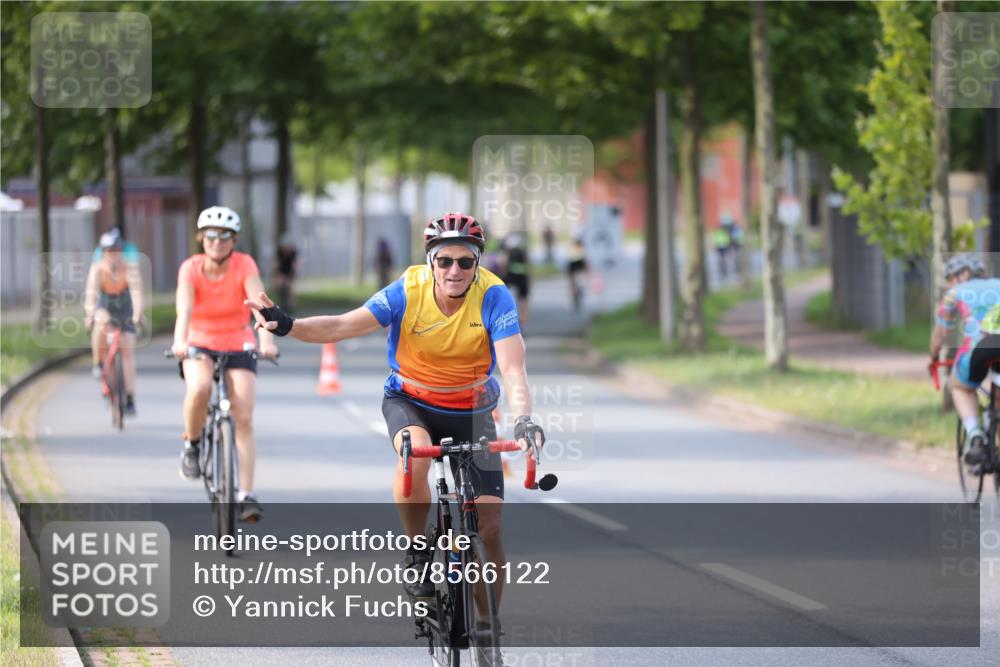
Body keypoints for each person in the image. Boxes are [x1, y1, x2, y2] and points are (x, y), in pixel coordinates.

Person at [246, 212, 546, 610]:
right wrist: (287, 325)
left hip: (473, 411)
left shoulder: (494, 296)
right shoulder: (408, 289)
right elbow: (343, 325)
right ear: (430, 261)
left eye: (465, 261)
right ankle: (417, 550)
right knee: (414, 458)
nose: (454, 271)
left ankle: (488, 630)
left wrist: (524, 419)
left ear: (478, 263)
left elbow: (513, 368)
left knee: (490, 530)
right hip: (411, 402)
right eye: (444, 260)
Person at [171, 206, 279, 523]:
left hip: (237, 340)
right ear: (201, 238)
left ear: (233, 240)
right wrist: (179, 342)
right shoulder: (190, 269)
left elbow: (259, 305)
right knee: (200, 386)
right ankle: (192, 445)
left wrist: (267, 340)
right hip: (199, 340)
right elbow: (184, 311)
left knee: (243, 414)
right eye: (211, 236)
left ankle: (246, 494)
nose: (217, 242)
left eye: (224, 236)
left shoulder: (244, 264)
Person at [930, 254, 1000, 468]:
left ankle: (975, 435)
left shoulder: (954, 293)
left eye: (951, 277)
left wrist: (934, 356)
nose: (950, 283)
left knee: (960, 387)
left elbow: (940, 335)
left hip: (977, 350)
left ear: (965, 274)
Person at [84, 228, 144, 416]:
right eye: (109, 250)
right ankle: (98, 363)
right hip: (106, 306)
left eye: (116, 250)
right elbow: (91, 294)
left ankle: (130, 397)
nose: (113, 254)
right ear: (103, 252)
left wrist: (137, 314)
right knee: (100, 323)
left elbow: (137, 293)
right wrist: (90, 314)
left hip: (125, 308)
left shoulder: (130, 268)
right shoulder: (98, 269)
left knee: (127, 352)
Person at [502, 233, 531, 328]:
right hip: (523, 277)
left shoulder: (509, 253)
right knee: (523, 299)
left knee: (504, 294)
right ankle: (523, 319)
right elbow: (528, 265)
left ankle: (507, 315)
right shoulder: (523, 253)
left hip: (510, 276)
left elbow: (505, 264)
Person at [273, 235, 298, 315]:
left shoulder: (293, 252)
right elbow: (277, 264)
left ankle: (290, 307)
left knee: (291, 289)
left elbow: (294, 265)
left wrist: (291, 277)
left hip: (290, 272)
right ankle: (280, 304)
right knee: (279, 285)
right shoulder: (280, 252)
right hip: (282, 271)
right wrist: (276, 275)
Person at [566, 237, 589, 313]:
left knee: (576, 286)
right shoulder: (577, 251)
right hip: (574, 268)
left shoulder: (579, 251)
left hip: (576, 269)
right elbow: (584, 263)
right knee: (573, 287)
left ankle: (577, 295)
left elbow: (584, 263)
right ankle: (575, 298)